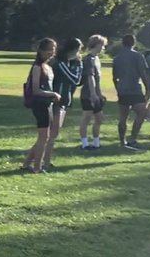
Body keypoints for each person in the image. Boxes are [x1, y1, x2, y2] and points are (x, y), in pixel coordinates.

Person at [22, 38, 61, 173]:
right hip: (39, 104)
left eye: (53, 49)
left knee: (45, 136)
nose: (51, 52)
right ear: (41, 50)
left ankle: (27, 163)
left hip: (47, 104)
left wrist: (52, 96)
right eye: (48, 49)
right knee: (44, 137)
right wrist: (53, 94)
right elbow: (36, 90)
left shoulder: (48, 67)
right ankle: (37, 167)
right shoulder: (37, 67)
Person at [47, 38, 84, 169]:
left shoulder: (71, 62)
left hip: (64, 101)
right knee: (51, 133)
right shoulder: (60, 63)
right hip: (56, 100)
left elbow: (79, 80)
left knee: (53, 133)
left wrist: (78, 64)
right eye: (78, 50)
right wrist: (78, 65)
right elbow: (74, 78)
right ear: (73, 49)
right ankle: (43, 160)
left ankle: (44, 159)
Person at [111, 34, 149, 150]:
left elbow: (114, 77)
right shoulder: (138, 56)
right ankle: (133, 138)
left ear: (123, 43)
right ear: (134, 43)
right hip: (135, 89)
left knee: (123, 117)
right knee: (142, 113)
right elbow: (143, 73)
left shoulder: (117, 58)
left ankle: (123, 141)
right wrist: (148, 88)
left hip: (122, 89)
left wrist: (118, 88)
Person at [79, 35, 107, 150]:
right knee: (86, 118)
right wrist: (93, 94)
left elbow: (97, 80)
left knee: (99, 119)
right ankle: (85, 144)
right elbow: (90, 78)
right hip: (88, 94)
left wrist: (99, 93)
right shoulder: (88, 60)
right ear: (96, 45)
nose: (103, 48)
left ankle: (96, 142)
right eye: (102, 45)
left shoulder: (96, 59)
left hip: (95, 94)